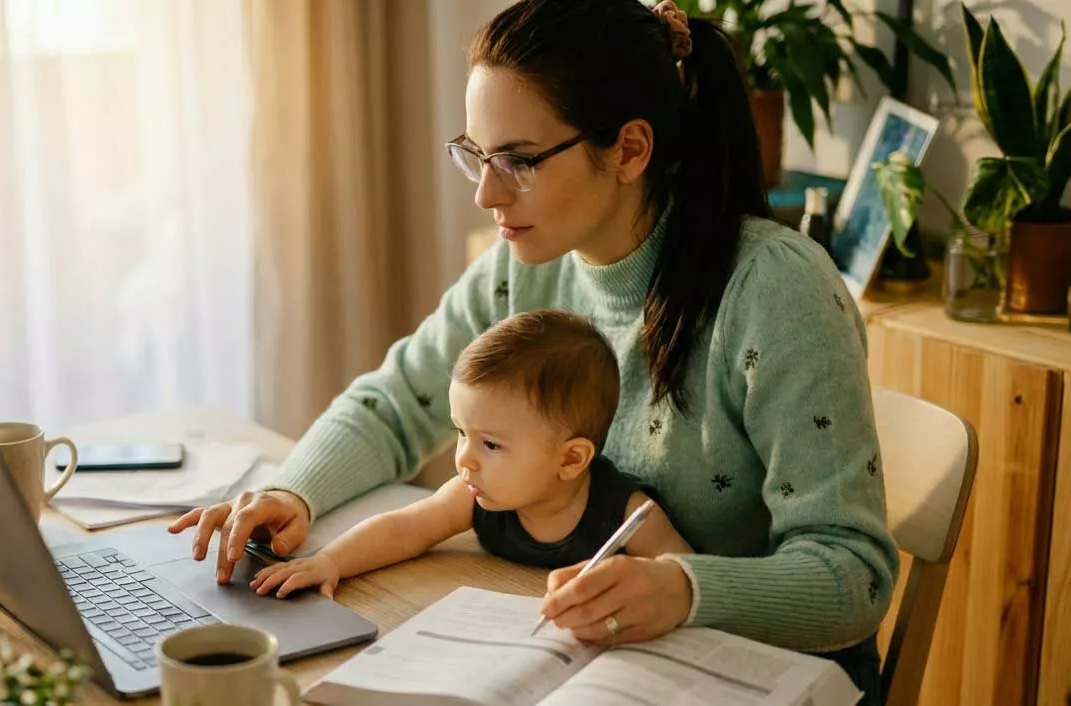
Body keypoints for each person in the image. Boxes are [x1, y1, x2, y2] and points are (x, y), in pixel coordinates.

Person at [170, 0, 896, 698]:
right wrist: (294, 491)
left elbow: (852, 574)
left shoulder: (777, 292)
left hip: (754, 675)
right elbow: (396, 401)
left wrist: (683, 587)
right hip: (598, 657)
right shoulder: (526, 263)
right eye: (477, 155)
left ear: (630, 149)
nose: (487, 193)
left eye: (518, 160)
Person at [248, 309, 691, 599]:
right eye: (462, 433)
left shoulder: (629, 512)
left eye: (491, 444)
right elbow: (406, 529)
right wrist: (330, 561)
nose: (464, 459)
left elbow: (687, 578)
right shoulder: (473, 492)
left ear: (571, 459)